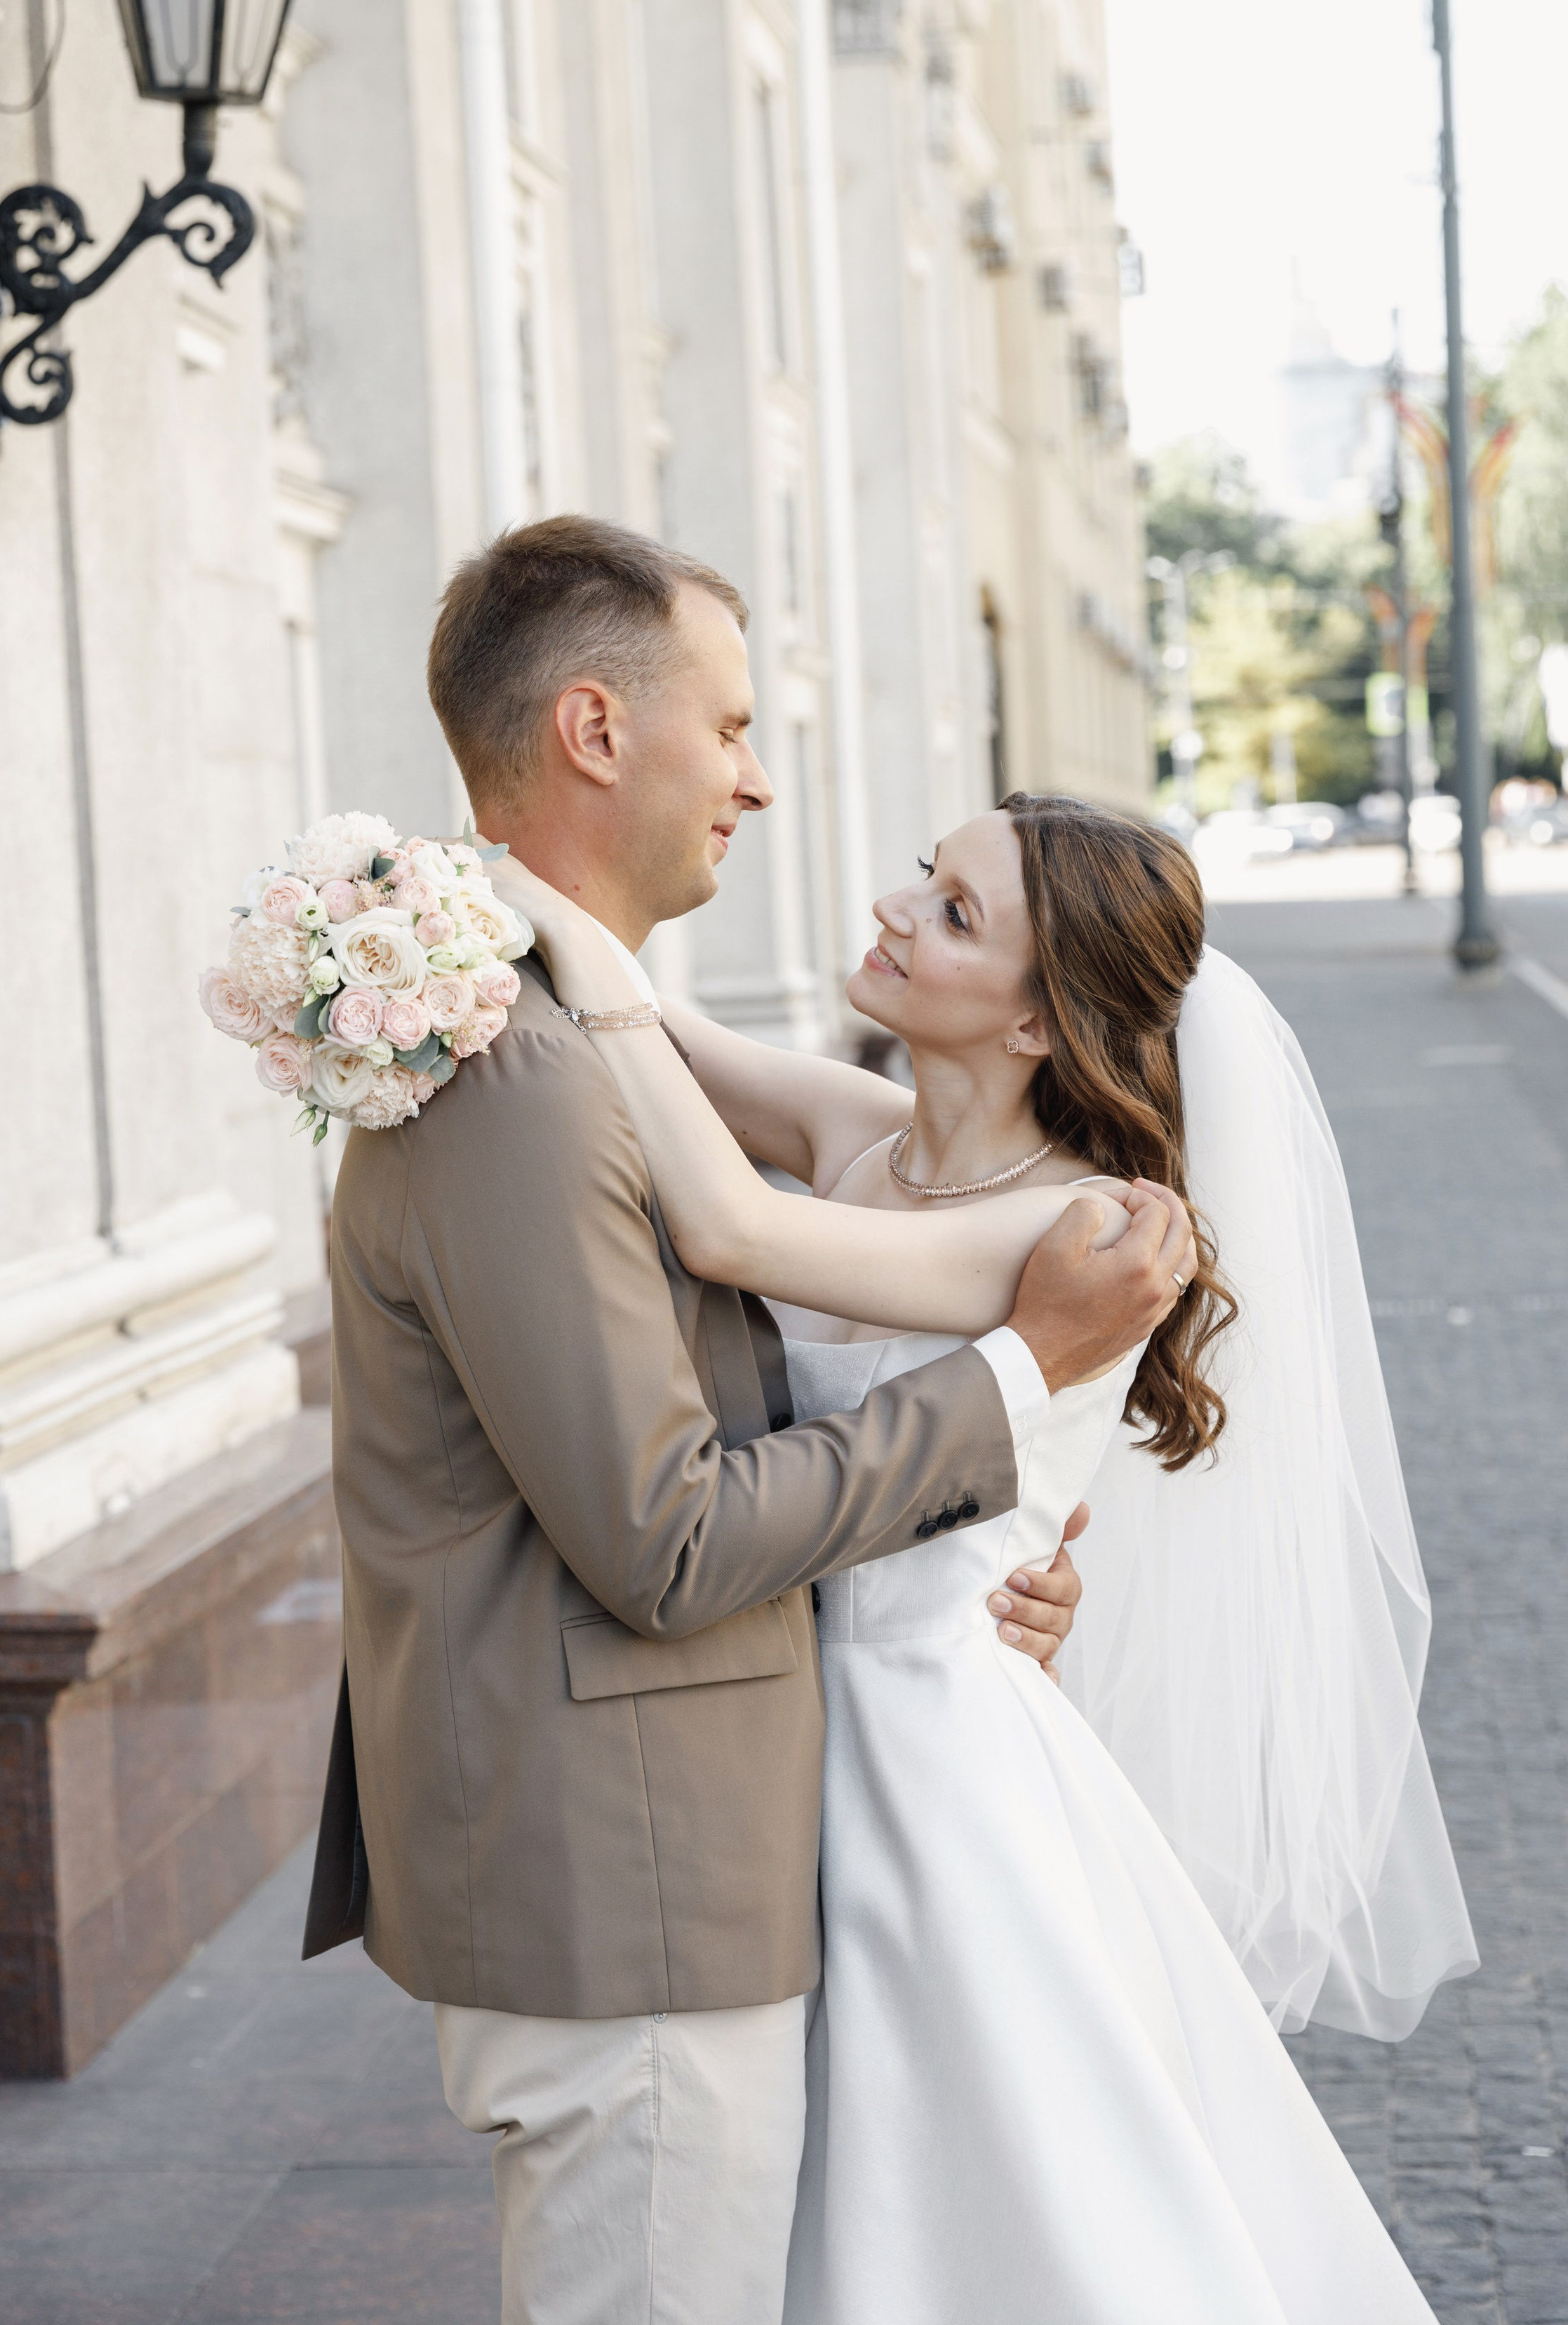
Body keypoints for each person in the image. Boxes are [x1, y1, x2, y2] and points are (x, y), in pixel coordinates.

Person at [303, 517, 1193, 2324]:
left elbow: (714, 1185)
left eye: (953, 909)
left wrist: (1008, 1539)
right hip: (656, 1858)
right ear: (594, 733)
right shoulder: (531, 1064)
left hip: (851, 1796)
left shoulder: (544, 1034)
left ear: (1035, 1013)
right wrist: (1009, 1399)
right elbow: (674, 1511)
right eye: (728, 726)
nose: (765, 786)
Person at [493, 787, 1477, 2323]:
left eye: (954, 915)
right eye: (919, 877)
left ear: (1037, 1023)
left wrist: (550, 919)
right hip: (767, 1715)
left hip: (930, 1761)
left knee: (972, 2182)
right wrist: (481, 901)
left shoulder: (1075, 1229)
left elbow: (729, 1233)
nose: (893, 911)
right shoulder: (865, 1132)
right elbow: (653, 1046)